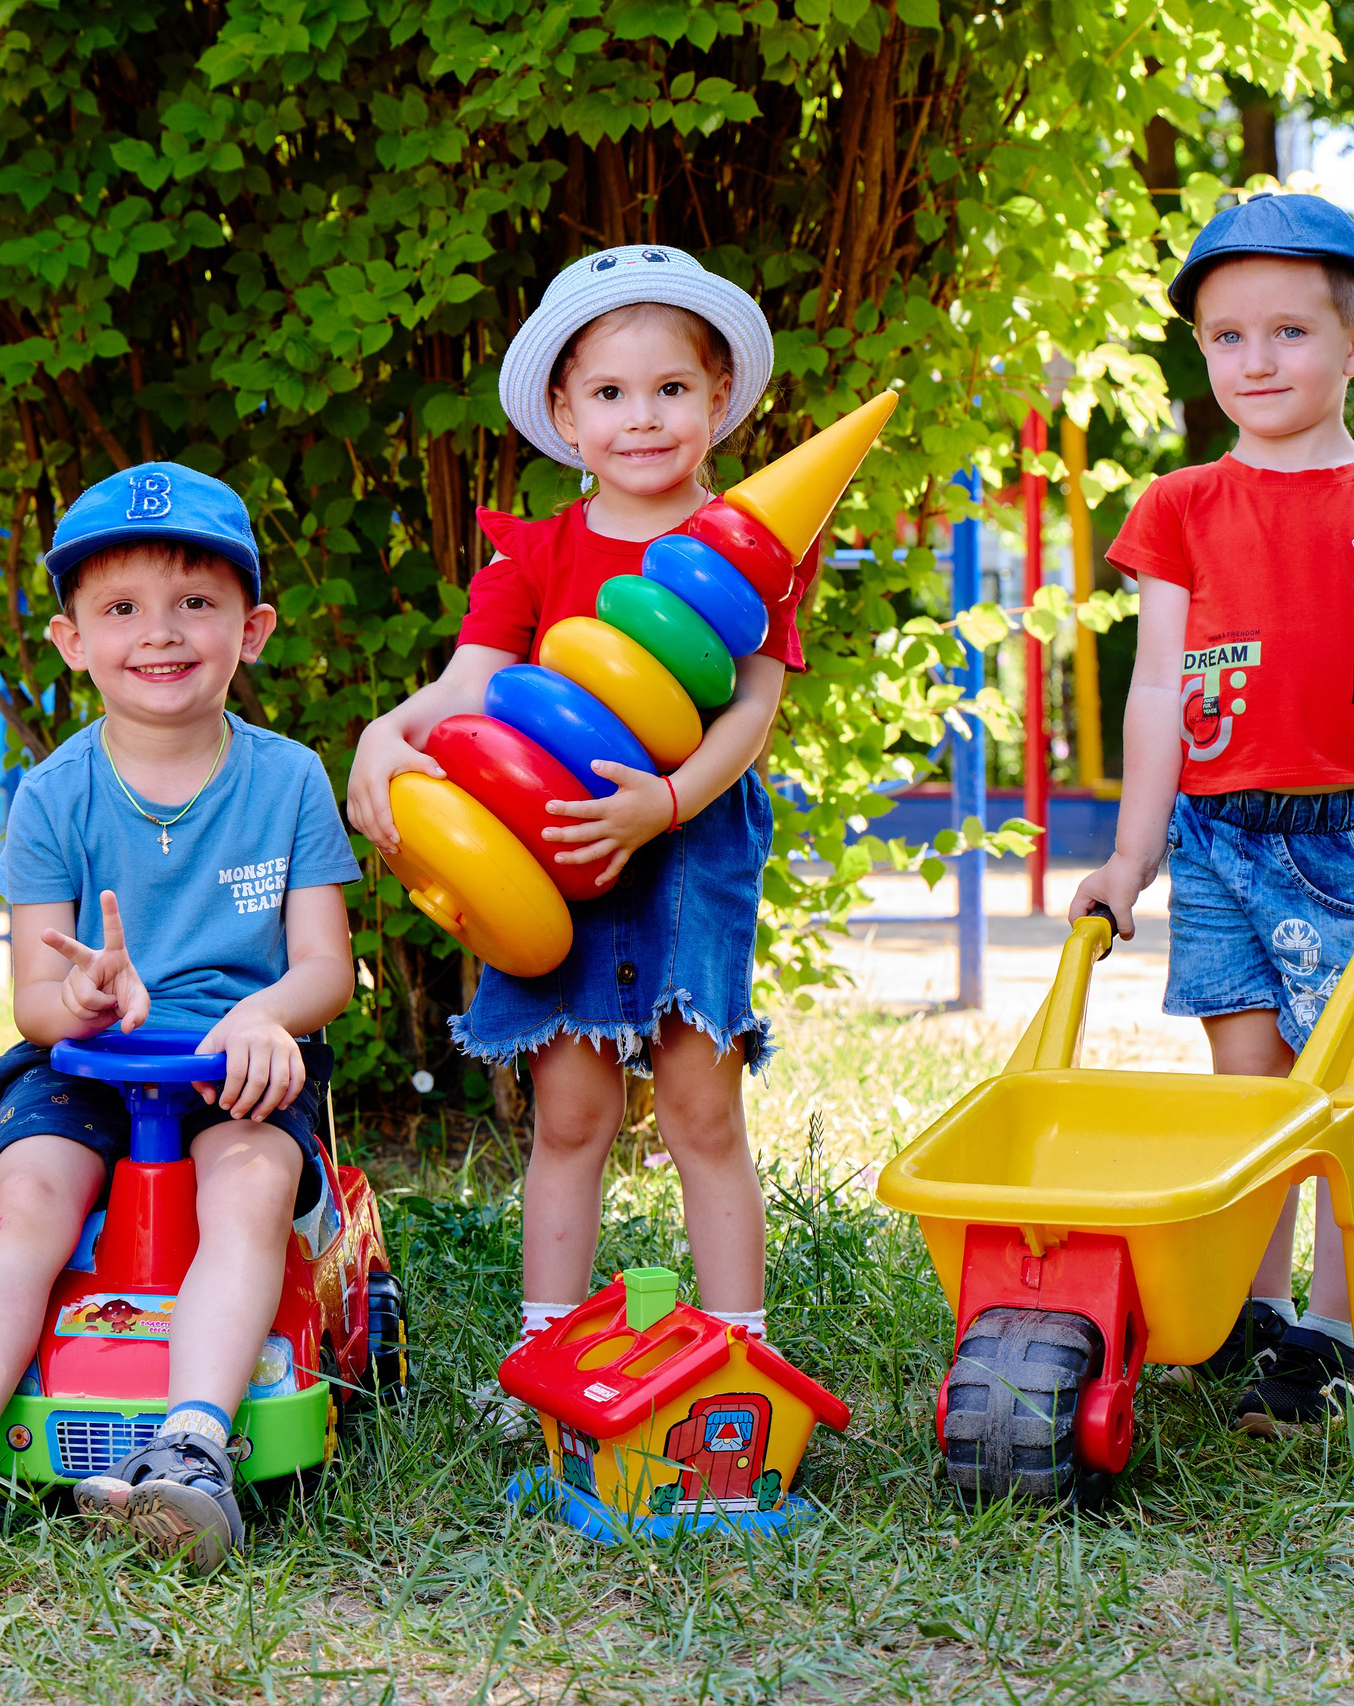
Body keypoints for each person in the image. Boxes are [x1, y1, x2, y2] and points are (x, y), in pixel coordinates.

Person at [0, 463, 359, 1572]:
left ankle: (194, 1446)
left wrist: (265, 1013)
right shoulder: (53, 794)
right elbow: (35, 999)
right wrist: (80, 998)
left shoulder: (288, 780)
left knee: (248, 1188)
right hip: (87, 1065)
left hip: (238, 1061)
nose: (159, 632)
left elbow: (328, 967)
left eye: (195, 603)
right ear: (72, 641)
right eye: (121, 608)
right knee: (27, 1196)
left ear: (251, 630)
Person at [347, 245, 803, 1414]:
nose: (640, 417)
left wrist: (669, 799)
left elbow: (752, 708)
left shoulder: (747, 548)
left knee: (701, 1107)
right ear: (564, 414)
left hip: (689, 846)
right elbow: (467, 685)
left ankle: (738, 1352)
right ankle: (541, 1355)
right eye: (609, 391)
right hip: (550, 848)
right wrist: (381, 736)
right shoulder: (537, 552)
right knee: (570, 1112)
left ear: (717, 401)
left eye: (670, 388)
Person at [1070, 194, 1354, 1434]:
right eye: (1227, 337)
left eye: (1289, 332)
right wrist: (1131, 854)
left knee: (1341, 1091)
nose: (1255, 361)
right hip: (1212, 838)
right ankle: (1251, 1308)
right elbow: (1156, 686)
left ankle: (1334, 1332)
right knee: (1243, 1081)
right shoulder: (1177, 505)